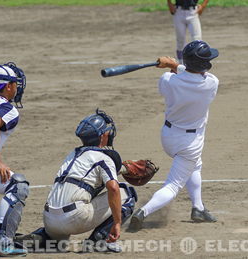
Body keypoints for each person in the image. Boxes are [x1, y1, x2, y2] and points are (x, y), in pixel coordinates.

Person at [18, 109, 138, 253]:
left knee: (58, 243)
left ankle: (43, 237)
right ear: (102, 136)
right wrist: (117, 223)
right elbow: (113, 188)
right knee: (127, 193)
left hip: (50, 220)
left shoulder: (73, 154)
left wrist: (124, 168)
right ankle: (98, 241)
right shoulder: (104, 158)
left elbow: (91, 176)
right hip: (74, 219)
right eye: (107, 131)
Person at [130, 40, 219, 230]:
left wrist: (171, 65)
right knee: (173, 185)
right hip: (190, 142)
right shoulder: (212, 83)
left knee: (195, 165)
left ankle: (198, 208)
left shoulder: (167, 80)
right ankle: (143, 212)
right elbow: (192, 75)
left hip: (168, 136)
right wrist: (174, 65)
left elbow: (178, 76)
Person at [0, 63, 29, 256]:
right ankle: (3, 241)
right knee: (18, 186)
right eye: (15, 83)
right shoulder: (6, 108)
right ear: (8, 86)